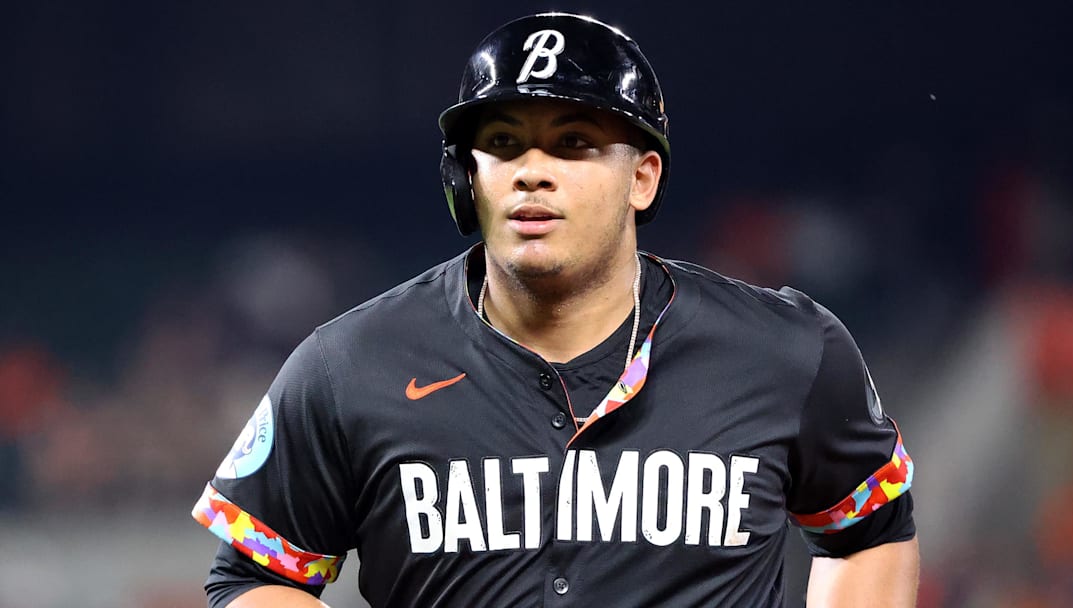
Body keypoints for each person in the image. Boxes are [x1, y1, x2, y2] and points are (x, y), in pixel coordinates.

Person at [192, 12, 919, 607]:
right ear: (466, 180)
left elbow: (871, 529)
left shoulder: (785, 350)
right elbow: (253, 575)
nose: (532, 170)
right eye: (503, 143)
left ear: (642, 178)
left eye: (573, 142)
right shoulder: (349, 366)